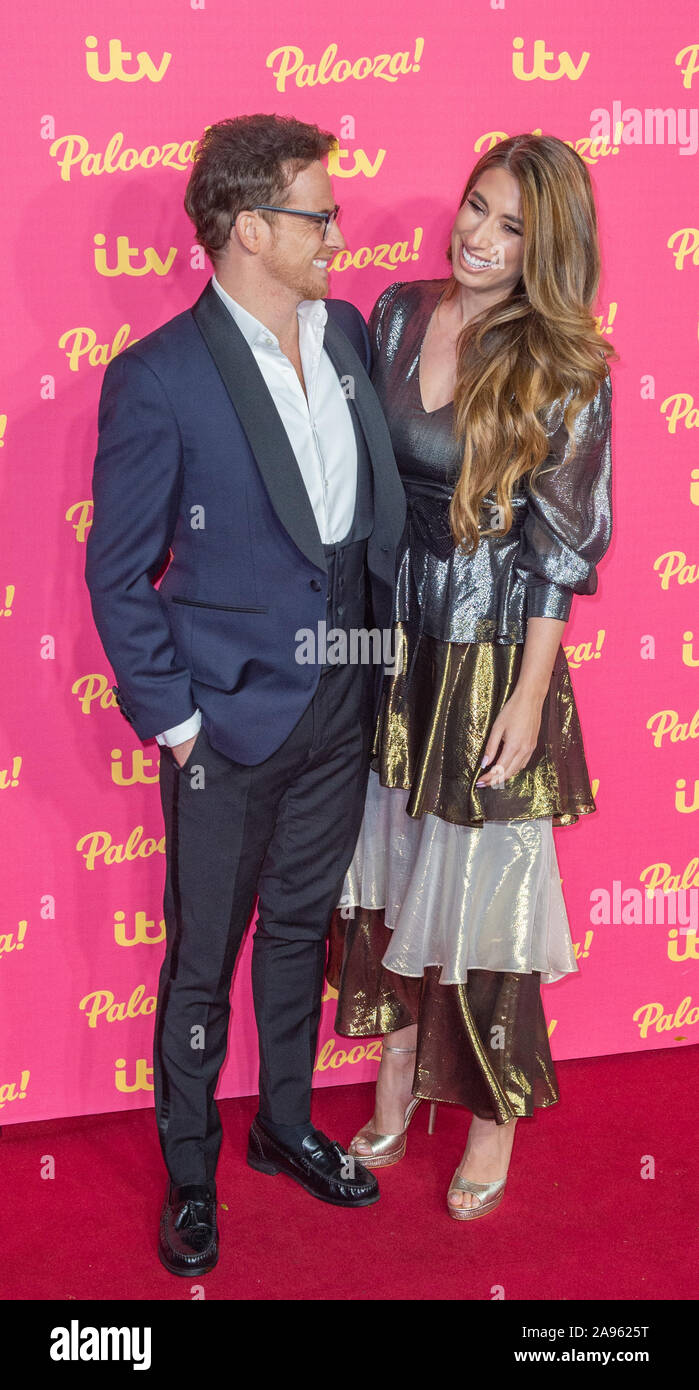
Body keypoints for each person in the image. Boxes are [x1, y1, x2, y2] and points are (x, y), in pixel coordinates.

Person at [85, 113, 407, 1275]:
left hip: (342, 705)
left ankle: (282, 1121)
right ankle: (189, 1170)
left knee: (301, 933)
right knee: (203, 955)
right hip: (225, 721)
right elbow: (117, 573)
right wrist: (176, 721)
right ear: (249, 229)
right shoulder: (160, 379)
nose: (338, 229)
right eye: (318, 213)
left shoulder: (354, 337)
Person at [326, 133, 616, 1220]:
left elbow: (559, 551)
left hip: (492, 650)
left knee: (489, 894)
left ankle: (491, 1116)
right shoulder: (399, 312)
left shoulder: (568, 366)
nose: (482, 239)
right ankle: (397, 1073)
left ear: (550, 250)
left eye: (512, 228)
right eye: (477, 207)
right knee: (387, 870)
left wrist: (531, 697)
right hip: (391, 636)